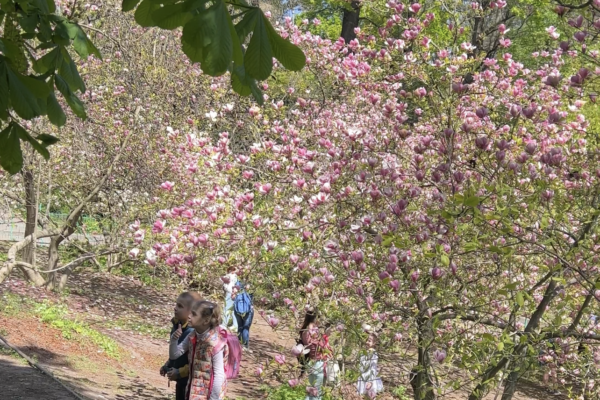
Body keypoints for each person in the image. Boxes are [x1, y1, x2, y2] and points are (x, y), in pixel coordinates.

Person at [170, 300, 228, 400]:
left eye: (194, 314)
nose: (189, 316)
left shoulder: (215, 343)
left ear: (205, 321)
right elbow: (174, 355)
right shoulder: (193, 335)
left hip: (210, 394)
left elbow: (219, 375)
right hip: (194, 392)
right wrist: (174, 340)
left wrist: (213, 398)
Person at [160, 292, 200, 400]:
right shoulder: (177, 326)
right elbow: (176, 352)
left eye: (180, 306)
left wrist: (179, 372)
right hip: (180, 380)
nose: (175, 308)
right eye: (176, 304)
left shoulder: (192, 332)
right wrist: (167, 364)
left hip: (190, 382)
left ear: (192, 312)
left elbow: (196, 362)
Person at [300, 309, 331, 400]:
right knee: (317, 393)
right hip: (318, 363)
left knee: (310, 392)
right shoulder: (314, 330)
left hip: (310, 362)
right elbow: (320, 345)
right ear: (315, 317)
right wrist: (325, 338)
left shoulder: (304, 331)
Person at [356, 333, 384, 398]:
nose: (367, 342)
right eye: (367, 340)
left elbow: (373, 367)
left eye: (369, 341)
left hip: (369, 377)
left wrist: (370, 381)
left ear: (374, 343)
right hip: (363, 376)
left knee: (370, 395)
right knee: (363, 396)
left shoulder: (373, 353)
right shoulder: (364, 352)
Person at [234, 279, 254, 351]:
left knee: (240, 326)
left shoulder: (237, 283)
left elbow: (233, 297)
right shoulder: (250, 283)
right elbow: (251, 296)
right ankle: (245, 346)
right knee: (246, 328)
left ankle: (239, 344)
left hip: (237, 310)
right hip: (247, 310)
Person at [222, 267, 239, 333]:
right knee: (233, 310)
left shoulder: (231, 276)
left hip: (230, 293)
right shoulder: (236, 277)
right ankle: (235, 325)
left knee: (227, 309)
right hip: (233, 294)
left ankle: (224, 324)